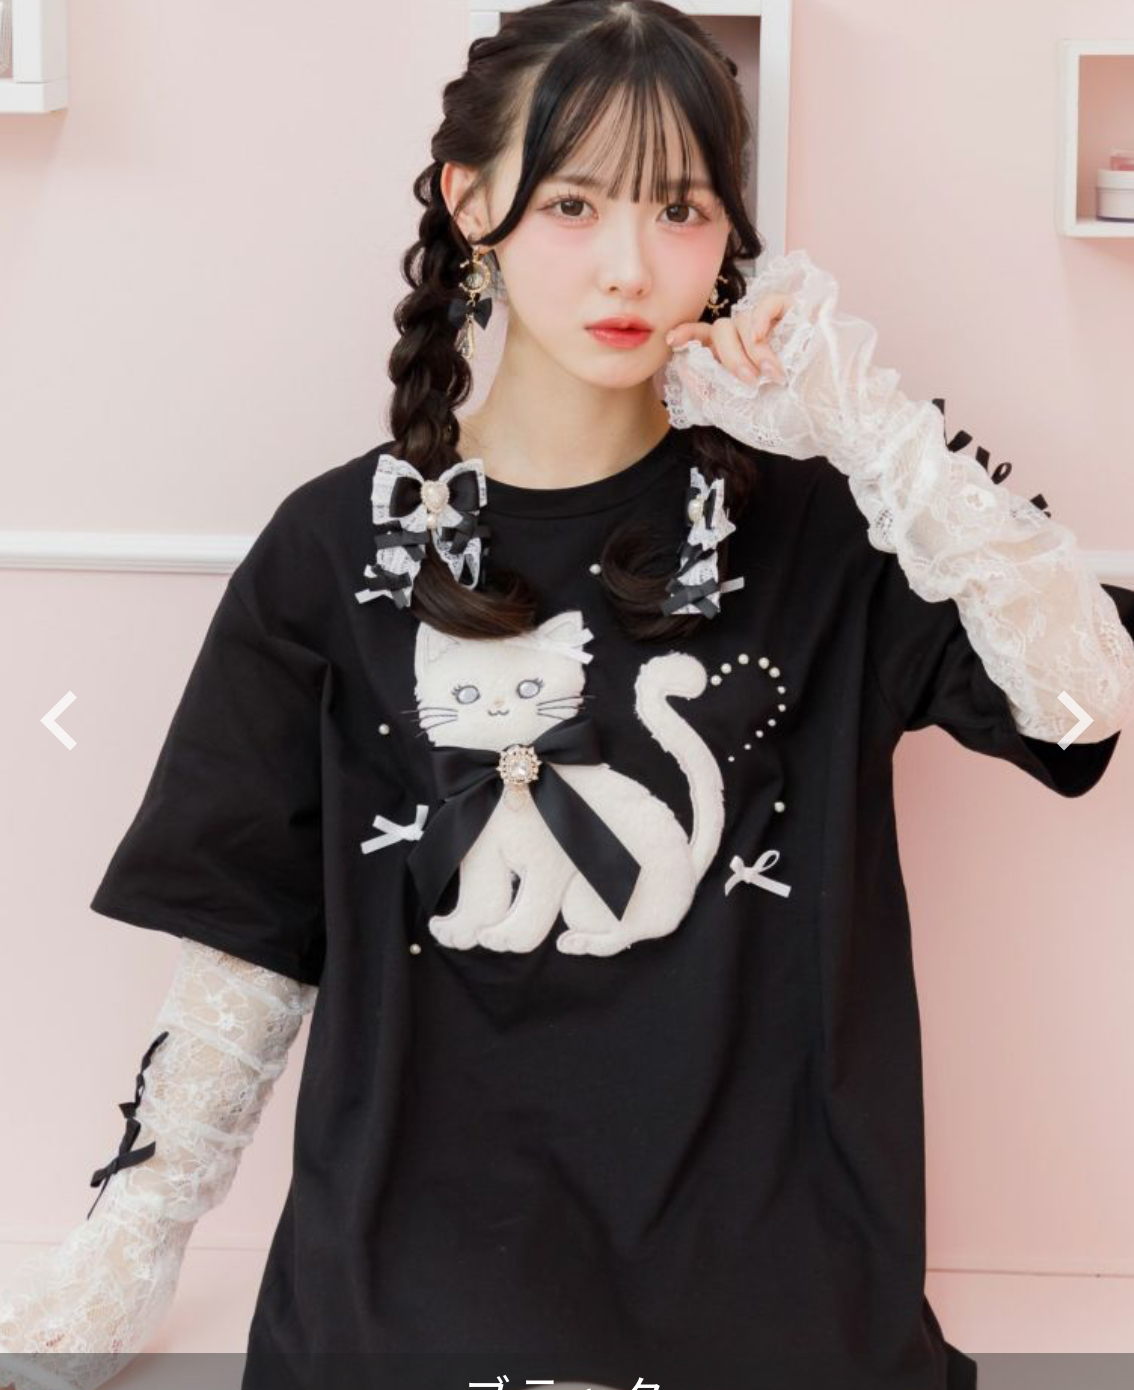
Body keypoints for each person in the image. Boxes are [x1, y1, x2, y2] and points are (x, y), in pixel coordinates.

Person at [2, 1, 1132, 1388]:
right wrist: (130, 1242)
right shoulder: (335, 547)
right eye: (574, 204)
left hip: (770, 1298)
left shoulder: (833, 524)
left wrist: (871, 428)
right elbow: (249, 936)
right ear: (470, 201)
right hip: (417, 1291)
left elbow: (1077, 698)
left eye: (681, 209)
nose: (630, 265)